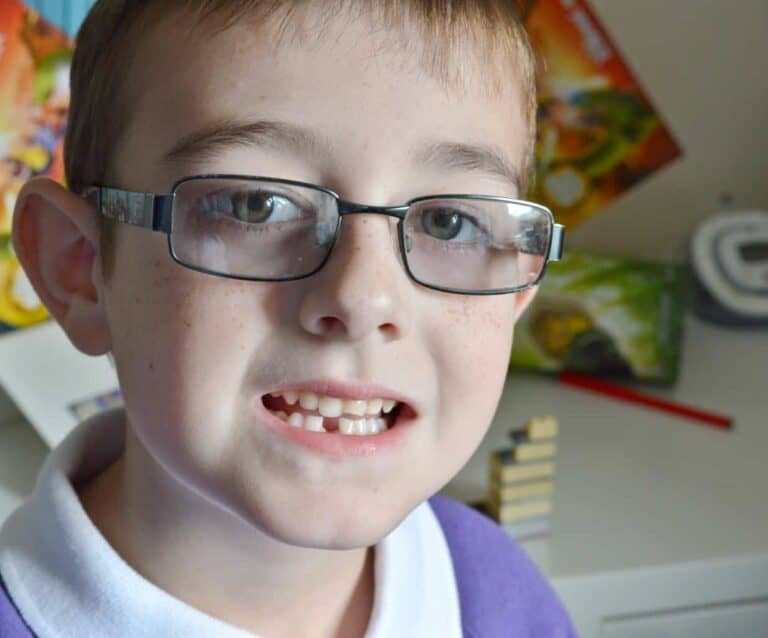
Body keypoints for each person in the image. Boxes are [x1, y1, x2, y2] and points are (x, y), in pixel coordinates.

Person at [0, 1, 574, 636]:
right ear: (77, 269)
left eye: (451, 222)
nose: (362, 300)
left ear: (517, 288)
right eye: (255, 205)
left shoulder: (500, 598)